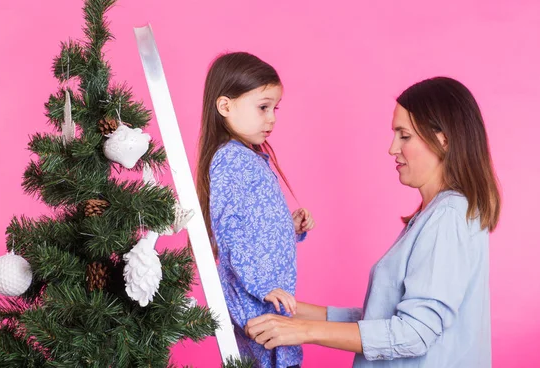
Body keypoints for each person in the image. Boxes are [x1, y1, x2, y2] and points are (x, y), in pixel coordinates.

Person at [245, 77, 500, 367]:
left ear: (442, 140)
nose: (392, 148)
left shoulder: (448, 217)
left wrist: (303, 331)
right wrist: (292, 313)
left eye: (404, 136)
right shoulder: (434, 215)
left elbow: (414, 333)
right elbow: (384, 318)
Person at [196, 52, 316, 368]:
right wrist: (262, 286)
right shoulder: (231, 159)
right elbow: (230, 232)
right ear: (225, 106)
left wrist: (290, 228)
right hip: (255, 298)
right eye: (263, 107)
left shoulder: (246, 158)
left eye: (274, 108)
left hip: (266, 298)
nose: (272, 118)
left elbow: (254, 228)